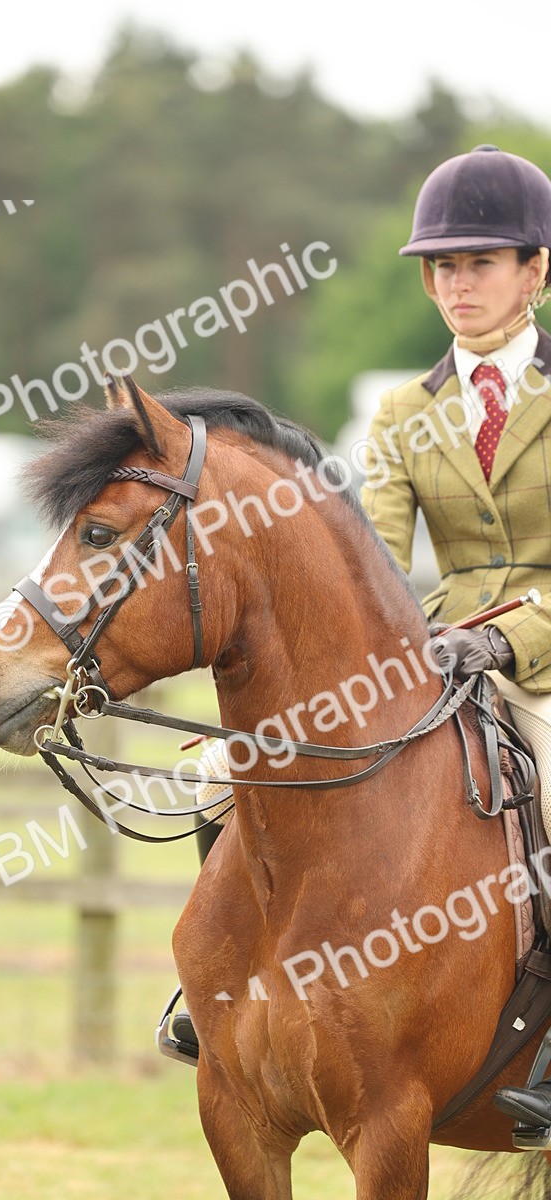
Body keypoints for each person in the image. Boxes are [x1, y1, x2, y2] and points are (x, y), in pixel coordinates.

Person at [360, 144, 551, 1130]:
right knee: (251, 774)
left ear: (536, 270)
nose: (454, 283)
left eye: (477, 261)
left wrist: (507, 640)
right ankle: (230, 994)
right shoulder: (402, 412)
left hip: (544, 660)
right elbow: (374, 563)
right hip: (435, 651)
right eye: (439, 266)